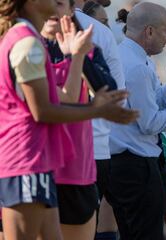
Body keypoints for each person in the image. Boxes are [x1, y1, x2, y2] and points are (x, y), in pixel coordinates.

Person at [0, 0, 138, 239]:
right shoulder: (25, 41)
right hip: (25, 160)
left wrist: (77, 58)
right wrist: (97, 111)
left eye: (61, 3)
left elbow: (78, 96)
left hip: (55, 163)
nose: (56, 6)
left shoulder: (73, 42)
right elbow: (44, 110)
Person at [108, 2, 166, 240]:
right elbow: (148, 123)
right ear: (148, 31)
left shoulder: (127, 55)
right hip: (137, 166)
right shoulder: (137, 65)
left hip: (124, 164)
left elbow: (139, 106)